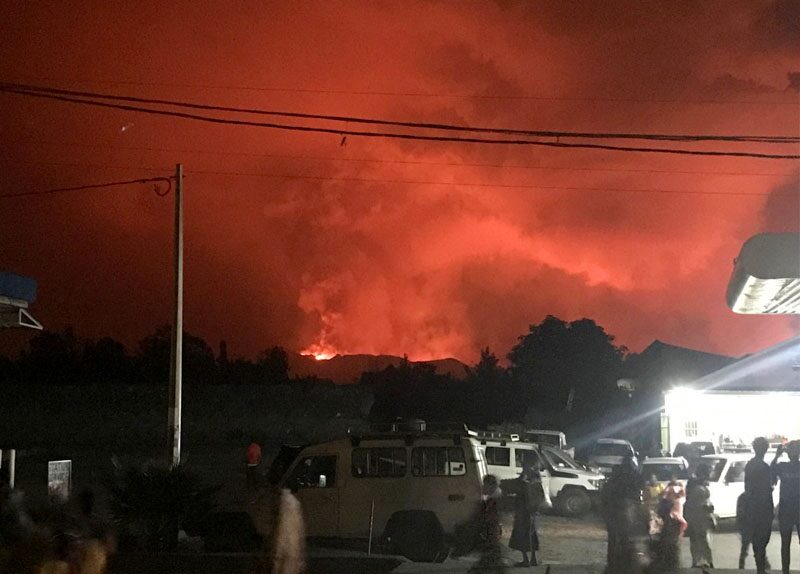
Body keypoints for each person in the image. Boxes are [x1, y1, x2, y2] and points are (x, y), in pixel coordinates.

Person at [601, 454, 643, 574]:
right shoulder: (633, 477)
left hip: (616, 515)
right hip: (622, 514)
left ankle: (614, 565)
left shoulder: (615, 478)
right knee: (625, 542)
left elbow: (605, 496)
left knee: (616, 542)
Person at [744, 436, 774, 574]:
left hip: (753, 505)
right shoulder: (763, 467)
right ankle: (760, 567)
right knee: (763, 537)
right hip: (763, 506)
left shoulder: (750, 465)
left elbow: (748, 487)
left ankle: (760, 567)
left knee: (758, 537)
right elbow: (767, 488)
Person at [771, 440, 800, 574]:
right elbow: (772, 473)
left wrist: (777, 455)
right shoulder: (783, 466)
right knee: (785, 543)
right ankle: (785, 571)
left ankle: (785, 571)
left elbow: (771, 472)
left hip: (787, 508)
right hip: (792, 508)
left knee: (785, 543)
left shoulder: (783, 466)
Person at [509, 459, 544, 567]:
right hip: (532, 511)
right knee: (531, 535)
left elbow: (518, 489)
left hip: (523, 511)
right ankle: (532, 559)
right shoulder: (537, 480)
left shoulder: (525, 480)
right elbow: (540, 496)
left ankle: (526, 560)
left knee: (522, 535)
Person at [470, 474, 505, 574]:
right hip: (492, 535)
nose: (483, 487)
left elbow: (490, 518)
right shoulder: (494, 499)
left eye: (485, 485)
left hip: (491, 534)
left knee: (488, 563)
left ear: (491, 486)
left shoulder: (493, 501)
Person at [685, 464, 714, 568]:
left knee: (696, 539)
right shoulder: (697, 485)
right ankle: (706, 560)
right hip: (699, 515)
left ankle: (698, 560)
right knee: (702, 538)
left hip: (696, 515)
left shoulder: (694, 483)